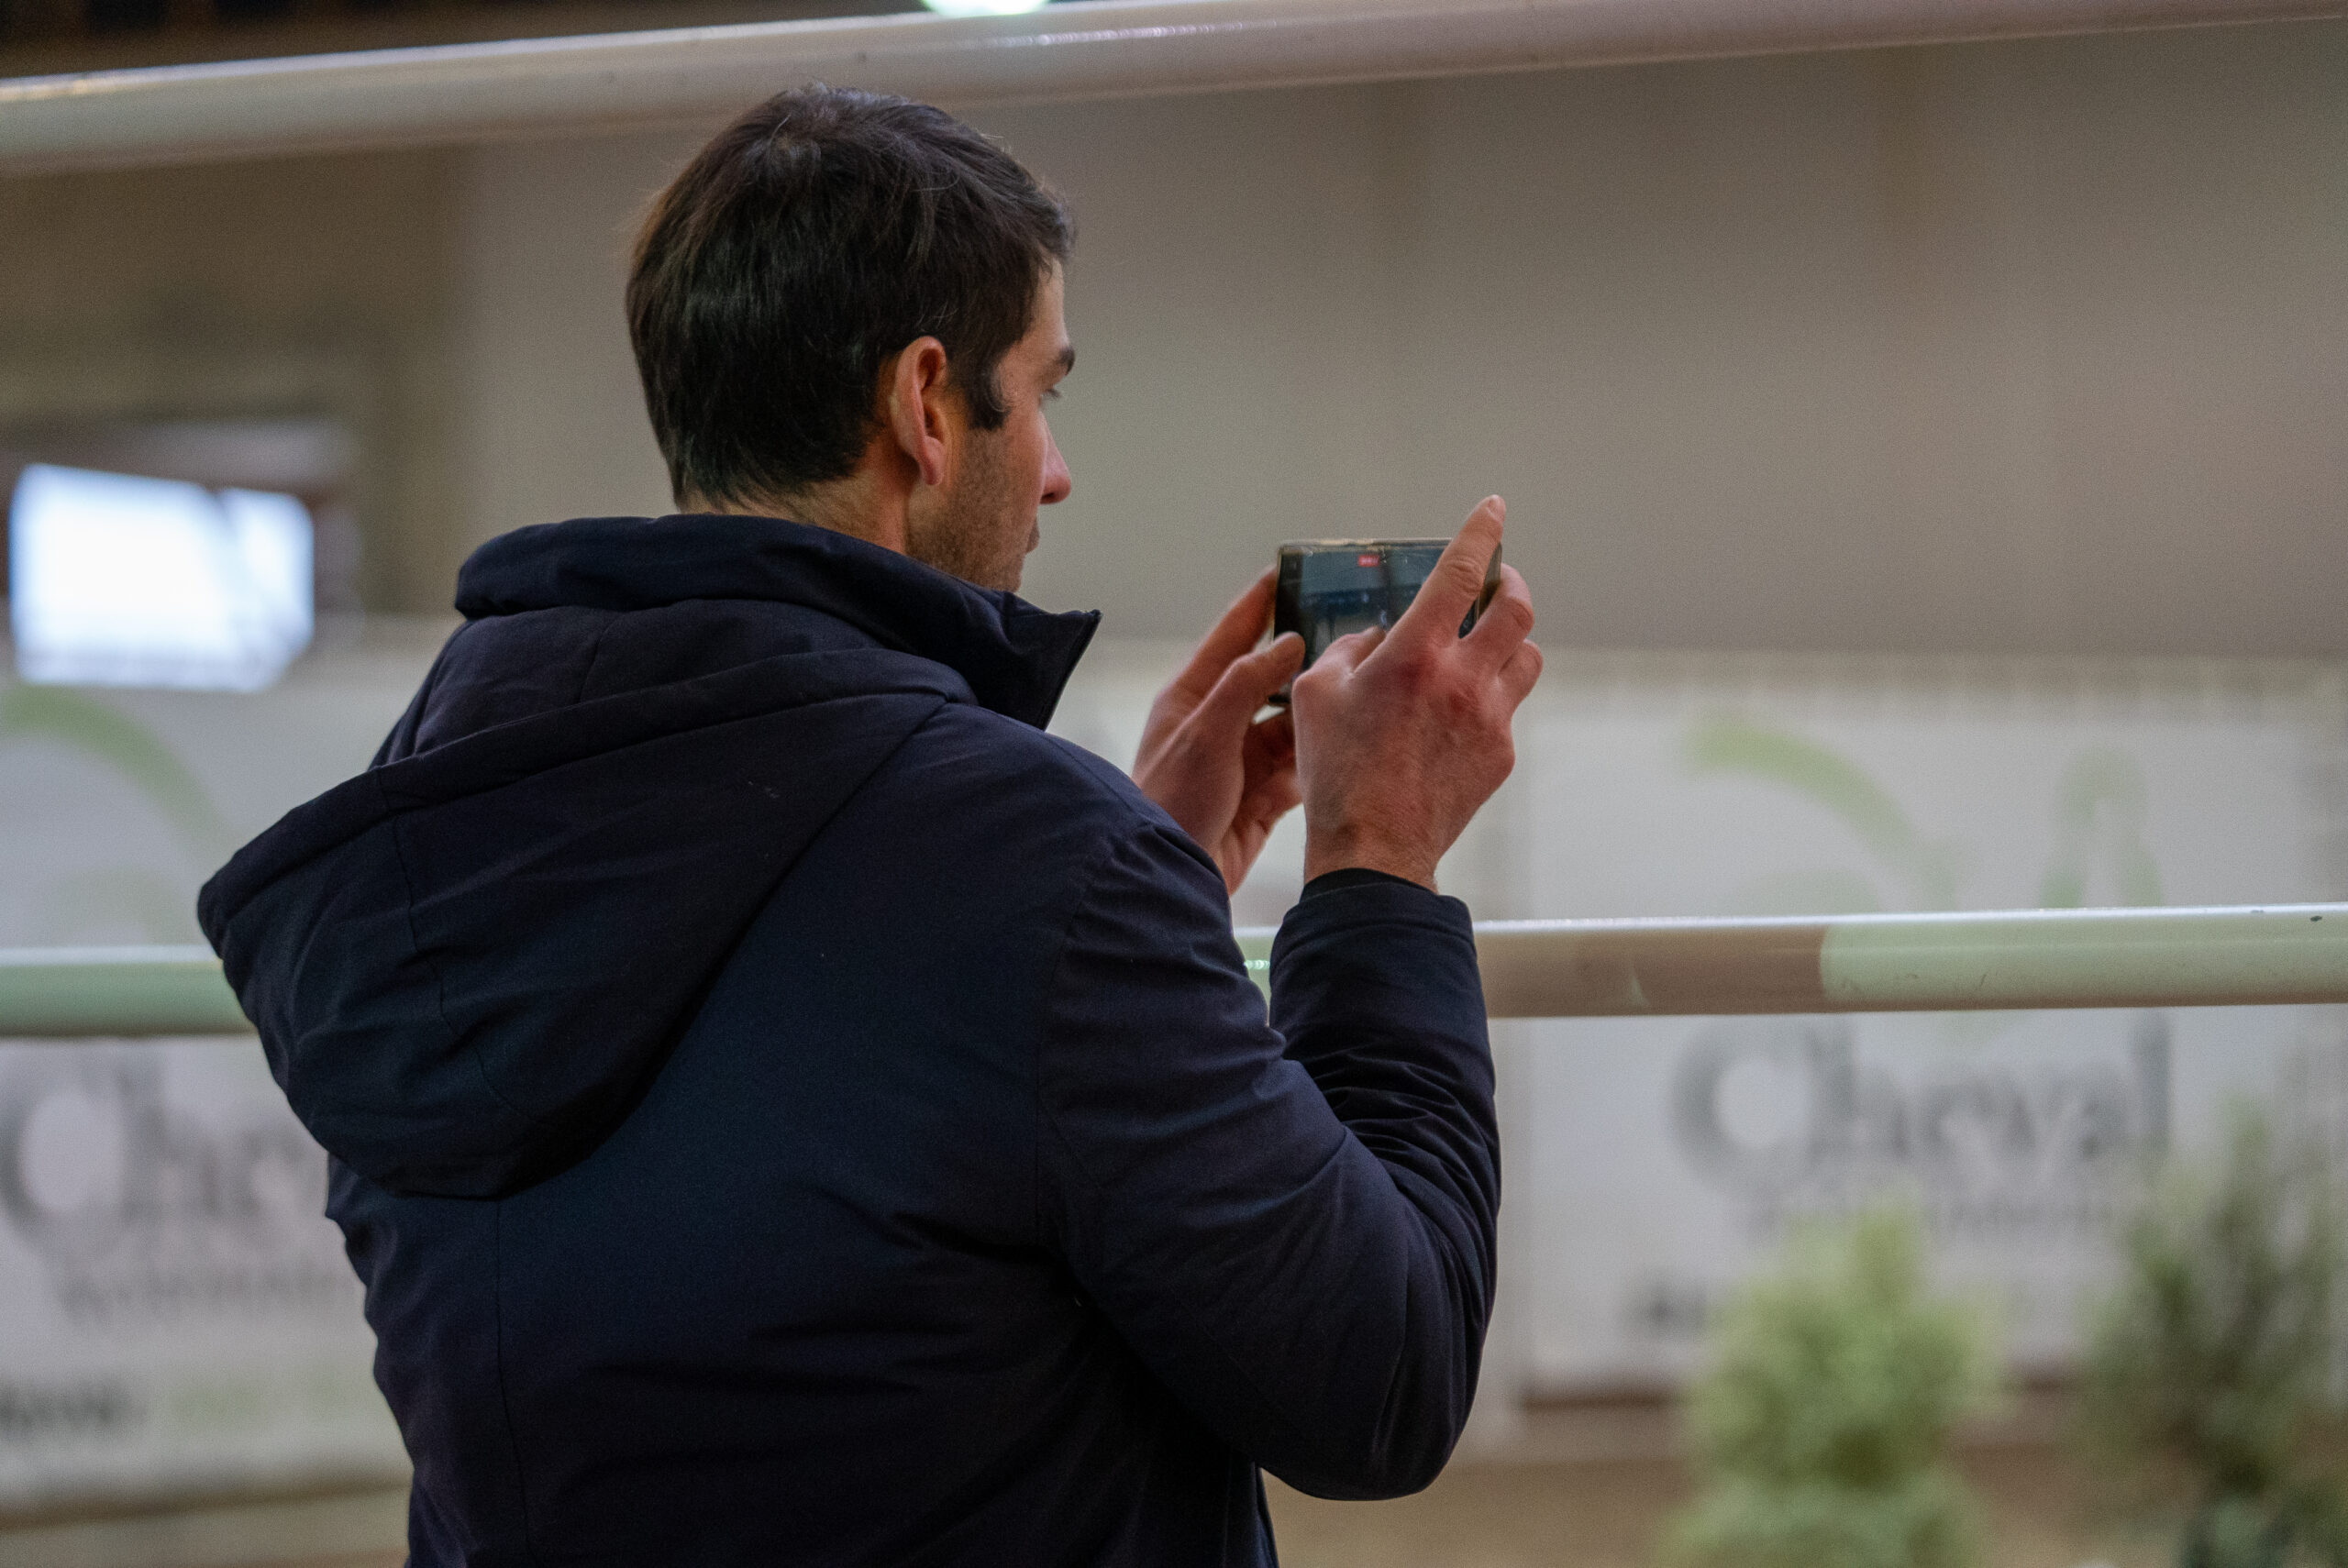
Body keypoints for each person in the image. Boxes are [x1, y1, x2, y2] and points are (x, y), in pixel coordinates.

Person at [197, 85, 1541, 1566]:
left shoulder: (438, 805)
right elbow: (1382, 1377)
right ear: (925, 405)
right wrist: (1376, 863)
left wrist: (1141, 881)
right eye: (1041, 391)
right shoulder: (1034, 871)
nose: (1056, 468)